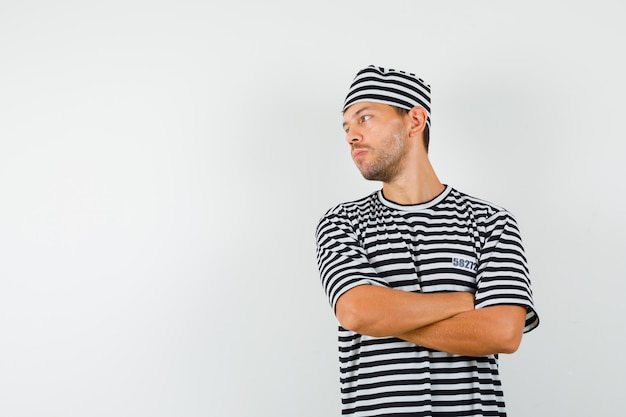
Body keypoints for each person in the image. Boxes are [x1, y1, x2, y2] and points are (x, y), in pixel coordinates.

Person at [315, 65, 539, 417]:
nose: (351, 136)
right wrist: (465, 302)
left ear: (414, 121)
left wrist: (388, 317)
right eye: (346, 127)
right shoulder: (342, 222)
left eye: (365, 118)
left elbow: (503, 331)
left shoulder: (491, 222)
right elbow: (357, 310)